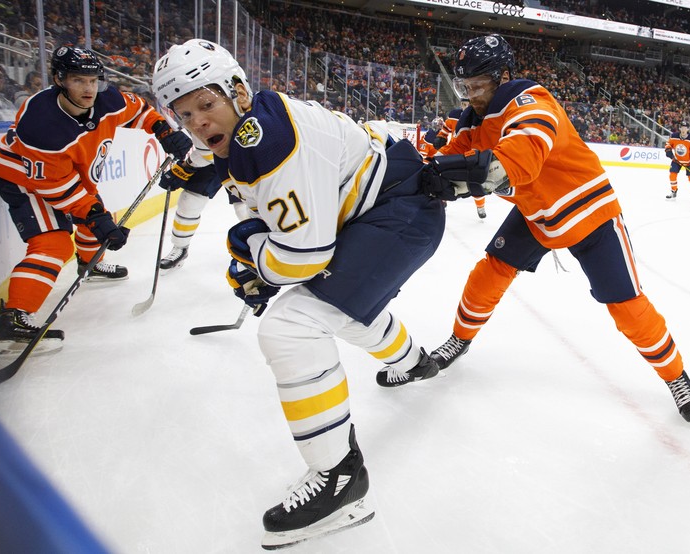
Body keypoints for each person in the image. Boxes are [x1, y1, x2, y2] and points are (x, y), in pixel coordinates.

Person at [152, 39, 445, 548]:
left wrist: (249, 256)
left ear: (237, 92)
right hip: (380, 207)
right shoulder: (239, 123)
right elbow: (209, 151)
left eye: (206, 103)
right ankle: (416, 361)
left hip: (398, 215)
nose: (199, 121)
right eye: (185, 114)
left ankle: (341, 481)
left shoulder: (269, 140)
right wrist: (188, 166)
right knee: (339, 308)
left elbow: (302, 257)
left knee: (292, 325)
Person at [389, 34, 690, 424]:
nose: (470, 95)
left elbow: (516, 163)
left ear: (502, 77)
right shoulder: (475, 123)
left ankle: (676, 377)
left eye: (477, 86)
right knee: (489, 272)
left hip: (589, 213)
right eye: (464, 87)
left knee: (627, 307)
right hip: (537, 215)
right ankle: (460, 339)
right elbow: (438, 162)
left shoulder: (531, 102)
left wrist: (461, 177)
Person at [0, 46, 191, 354]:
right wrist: (96, 216)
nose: (88, 89)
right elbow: (61, 190)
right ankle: (12, 317)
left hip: (67, 175)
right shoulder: (42, 124)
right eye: (78, 80)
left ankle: (89, 264)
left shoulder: (107, 99)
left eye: (93, 80)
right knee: (55, 242)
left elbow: (139, 111)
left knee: (94, 213)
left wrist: (164, 131)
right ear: (59, 80)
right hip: (26, 180)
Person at [155, 134, 249, 271]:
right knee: (189, 201)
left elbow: (208, 153)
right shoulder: (182, 115)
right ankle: (180, 248)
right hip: (211, 156)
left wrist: (185, 166)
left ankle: (258, 249)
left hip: (240, 155)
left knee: (244, 209)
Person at [436, 97, 487, 218]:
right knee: (441, 176)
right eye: (462, 104)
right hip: (454, 150)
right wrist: (441, 136)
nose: (464, 106)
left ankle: (480, 207)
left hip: (471, 153)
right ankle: (442, 201)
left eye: (466, 104)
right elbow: (446, 127)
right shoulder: (454, 114)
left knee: (475, 183)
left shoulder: (478, 116)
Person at [664, 121, 690, 202]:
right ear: (680, 128)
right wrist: (668, 150)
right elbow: (668, 144)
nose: (683, 129)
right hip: (676, 160)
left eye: (685, 128)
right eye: (682, 127)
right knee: (672, 175)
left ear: (688, 129)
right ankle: (674, 191)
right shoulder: (674, 136)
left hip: (688, 162)